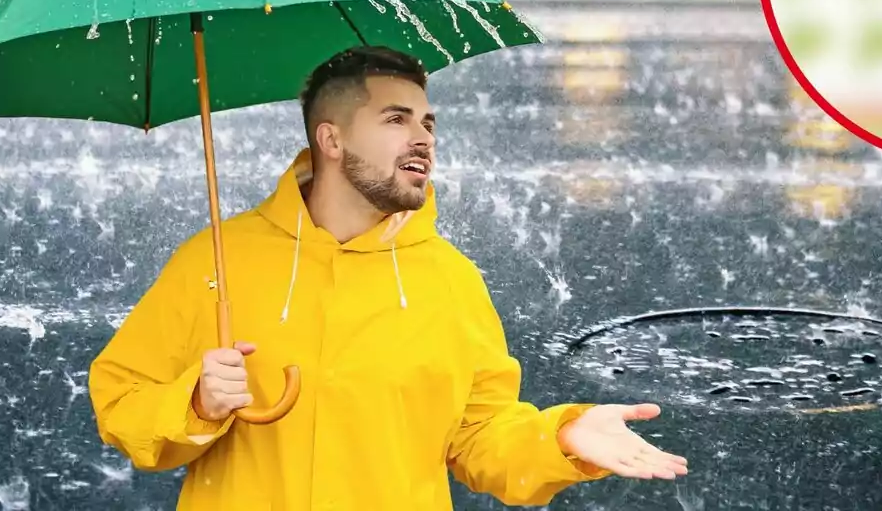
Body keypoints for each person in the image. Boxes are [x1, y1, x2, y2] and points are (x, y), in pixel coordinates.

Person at [88, 46, 688, 510]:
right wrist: (194, 401)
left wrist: (560, 437)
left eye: (428, 122)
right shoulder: (215, 260)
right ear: (331, 138)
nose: (422, 139)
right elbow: (120, 403)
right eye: (396, 120)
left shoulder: (451, 281)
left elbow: (479, 438)